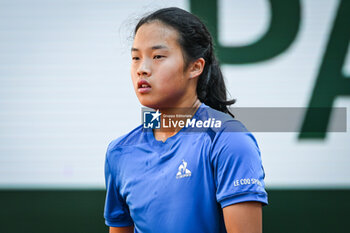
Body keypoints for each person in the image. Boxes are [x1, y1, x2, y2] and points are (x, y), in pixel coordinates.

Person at [104, 7, 268, 233]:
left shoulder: (228, 139)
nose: (142, 69)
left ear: (195, 67)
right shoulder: (119, 152)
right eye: (135, 58)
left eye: (158, 56)